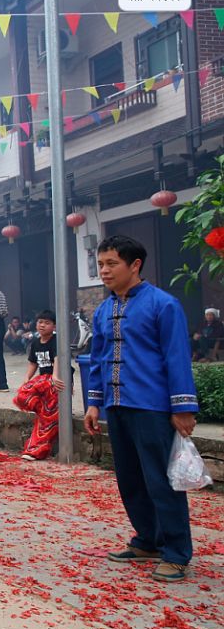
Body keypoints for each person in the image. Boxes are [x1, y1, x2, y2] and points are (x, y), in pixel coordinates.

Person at [84, 235, 199, 583]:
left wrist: (183, 407)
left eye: (111, 263)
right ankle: (147, 540)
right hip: (117, 407)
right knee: (130, 480)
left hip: (152, 408)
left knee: (162, 481)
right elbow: (99, 359)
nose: (104, 270)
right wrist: (93, 403)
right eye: (101, 264)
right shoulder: (104, 310)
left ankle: (177, 552)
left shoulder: (163, 305)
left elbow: (177, 356)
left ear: (134, 265)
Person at [14, 309, 65, 461]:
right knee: (23, 393)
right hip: (43, 382)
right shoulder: (35, 343)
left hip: (55, 381)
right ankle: (34, 448)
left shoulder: (56, 341)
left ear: (54, 327)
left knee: (49, 420)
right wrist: (27, 378)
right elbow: (33, 363)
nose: (42, 325)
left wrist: (56, 376)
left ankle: (37, 450)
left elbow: (58, 359)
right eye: (40, 322)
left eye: (47, 323)